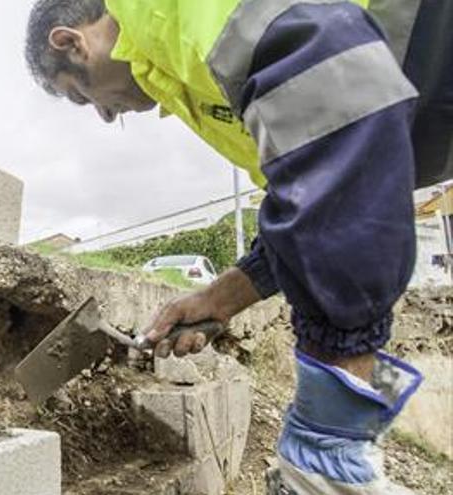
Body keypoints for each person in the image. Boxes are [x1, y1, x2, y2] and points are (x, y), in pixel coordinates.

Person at [24, 0, 451, 493]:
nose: (102, 115)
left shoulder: (176, 13)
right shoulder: (180, 68)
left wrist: (328, 437)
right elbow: (308, 186)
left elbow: (337, 138)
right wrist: (221, 298)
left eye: (82, 95)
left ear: (72, 42)